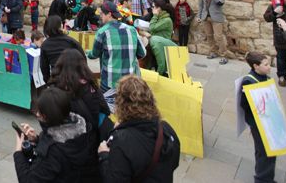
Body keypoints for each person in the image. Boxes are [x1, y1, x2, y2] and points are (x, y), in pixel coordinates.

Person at [98, 75, 180, 182]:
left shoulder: (121, 141)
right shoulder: (166, 129)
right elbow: (174, 162)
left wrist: (104, 155)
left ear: (121, 106)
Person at [50, 49, 111, 181]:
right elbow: (105, 110)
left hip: (68, 147)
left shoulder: (57, 91)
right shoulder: (91, 85)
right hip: (91, 144)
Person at [13, 87, 94, 182]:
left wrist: (18, 152)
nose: (37, 114)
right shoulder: (82, 128)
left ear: (49, 116)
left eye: (41, 112)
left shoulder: (52, 151)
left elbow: (28, 180)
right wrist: (37, 140)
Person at [87, 3, 146, 93]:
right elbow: (142, 53)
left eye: (102, 13)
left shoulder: (102, 32)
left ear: (109, 14)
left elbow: (94, 54)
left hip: (110, 84)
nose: (100, 16)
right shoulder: (132, 30)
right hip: (131, 83)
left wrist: (88, 53)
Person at [239, 52, 276, 183]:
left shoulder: (264, 77)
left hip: (267, 120)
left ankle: (265, 177)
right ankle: (262, 179)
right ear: (256, 66)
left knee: (265, 150)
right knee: (265, 151)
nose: (269, 67)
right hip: (259, 122)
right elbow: (244, 104)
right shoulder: (249, 81)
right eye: (265, 64)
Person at [39, 16, 84, 83]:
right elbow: (83, 61)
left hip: (56, 80)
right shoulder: (72, 41)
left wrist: (48, 82)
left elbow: (44, 67)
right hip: (73, 79)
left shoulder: (45, 45)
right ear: (61, 26)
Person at [197, 0, 228, 64]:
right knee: (209, 35)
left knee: (218, 37)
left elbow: (220, 3)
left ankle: (224, 55)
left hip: (216, 18)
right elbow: (200, 6)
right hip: (206, 18)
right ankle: (213, 52)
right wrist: (199, 16)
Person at [146, 1, 177, 76]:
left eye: (153, 7)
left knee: (159, 66)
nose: (152, 9)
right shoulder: (161, 18)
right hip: (157, 44)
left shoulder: (166, 20)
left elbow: (152, 28)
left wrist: (155, 16)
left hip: (161, 46)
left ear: (159, 8)